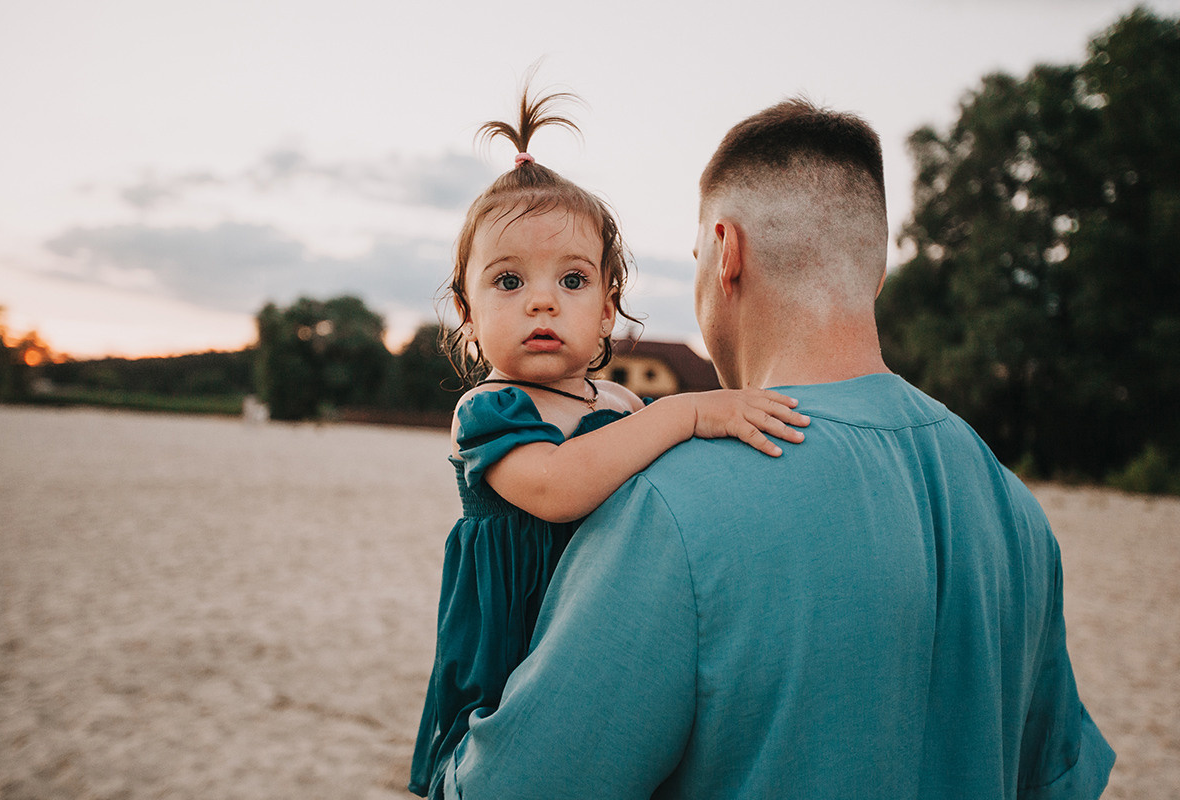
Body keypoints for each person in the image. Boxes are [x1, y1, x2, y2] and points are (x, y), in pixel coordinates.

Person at [437, 98, 1116, 799]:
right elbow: (1059, 780)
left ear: (726, 255)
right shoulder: (1015, 508)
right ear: (873, 273)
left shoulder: (672, 506)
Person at [408, 84, 810, 799]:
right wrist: (688, 414)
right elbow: (560, 488)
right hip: (514, 653)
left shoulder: (623, 404)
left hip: (607, 634)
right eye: (508, 281)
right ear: (467, 313)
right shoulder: (488, 410)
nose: (542, 300)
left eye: (572, 279)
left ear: (606, 310)